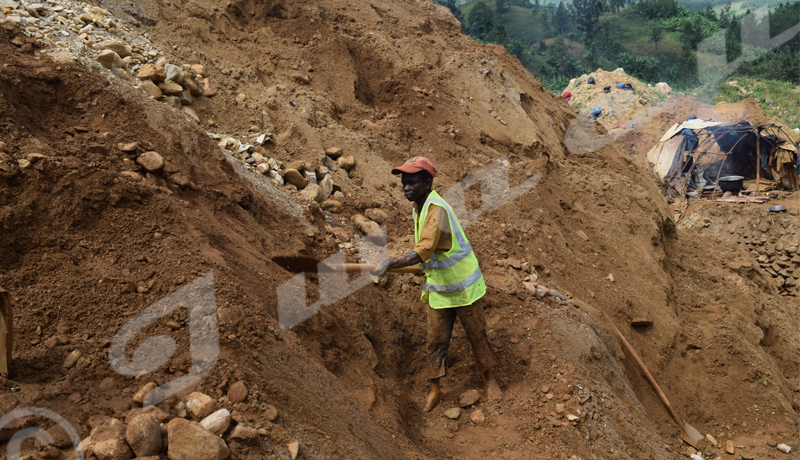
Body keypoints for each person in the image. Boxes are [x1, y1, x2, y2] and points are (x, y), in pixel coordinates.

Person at [373, 156, 502, 412]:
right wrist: (408, 265)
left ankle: (490, 380)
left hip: (464, 288)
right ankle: (435, 389)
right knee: (434, 341)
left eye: (412, 182)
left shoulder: (437, 210)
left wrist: (392, 263)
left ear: (428, 182)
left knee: (477, 335)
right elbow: (430, 254)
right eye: (404, 183)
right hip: (440, 290)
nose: (406, 187)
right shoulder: (419, 208)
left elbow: (424, 248)